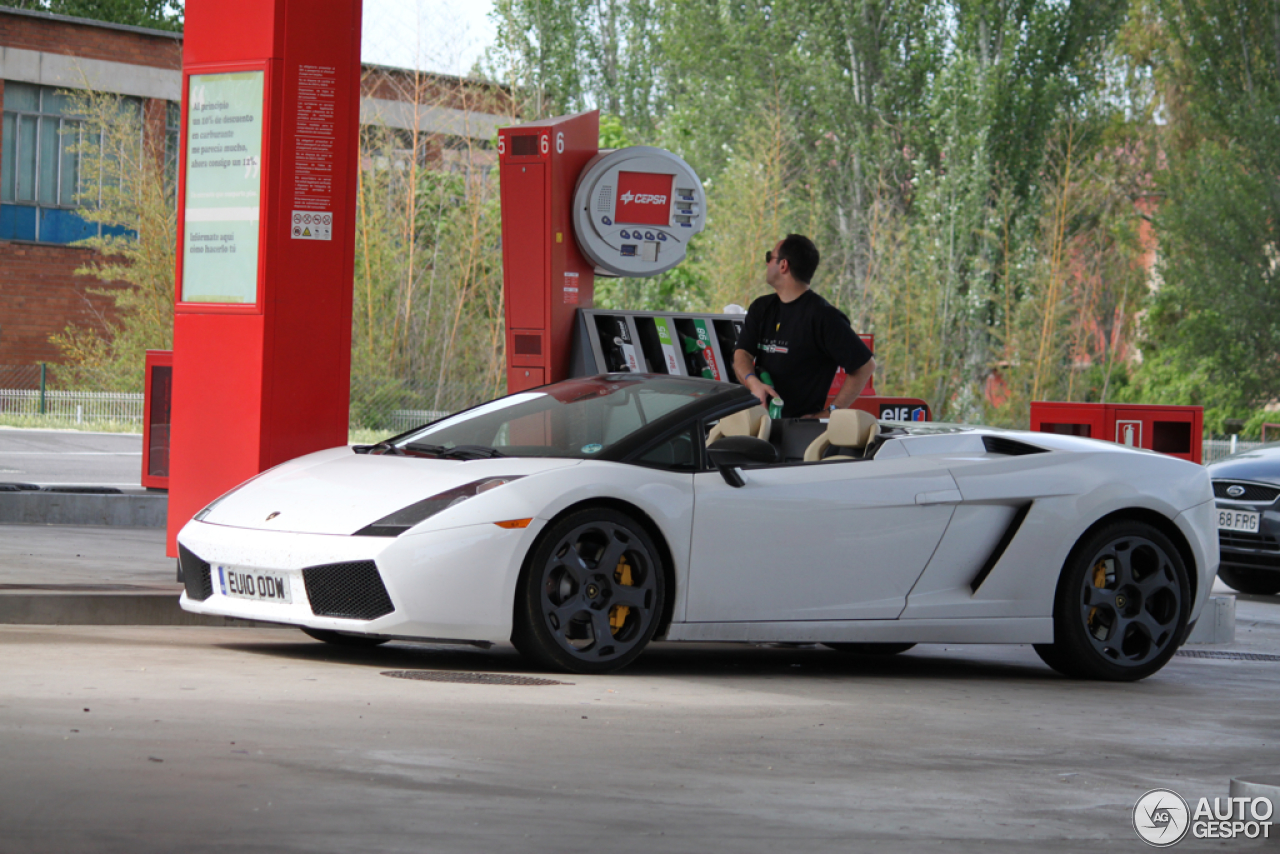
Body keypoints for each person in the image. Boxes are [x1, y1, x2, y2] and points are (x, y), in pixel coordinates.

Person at [733, 234, 875, 419]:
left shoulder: (824, 316)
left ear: (783, 265)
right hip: (759, 424)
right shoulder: (761, 308)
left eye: (770, 257)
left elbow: (865, 366)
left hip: (800, 432)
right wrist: (753, 383)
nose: (767, 263)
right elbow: (741, 353)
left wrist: (830, 413)